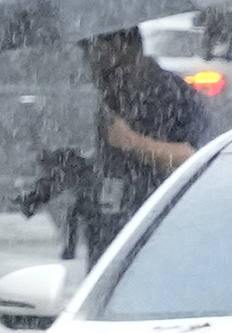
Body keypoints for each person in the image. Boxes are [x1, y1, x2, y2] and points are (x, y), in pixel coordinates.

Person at [74, 21, 208, 254]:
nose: (90, 64)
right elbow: (113, 167)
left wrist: (132, 142)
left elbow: (191, 159)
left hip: (155, 235)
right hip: (109, 237)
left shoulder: (171, 94)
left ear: (122, 46)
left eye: (94, 52)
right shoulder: (112, 96)